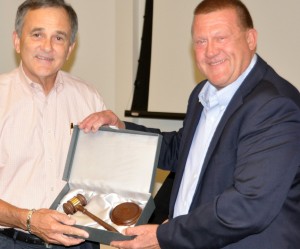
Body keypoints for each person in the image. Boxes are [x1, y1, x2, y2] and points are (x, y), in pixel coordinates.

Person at [79, 0, 300, 248]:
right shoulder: (203, 93)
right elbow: (182, 150)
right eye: (200, 41)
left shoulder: (274, 106)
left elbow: (248, 206)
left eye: (221, 38)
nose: (210, 51)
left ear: (250, 39)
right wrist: (121, 129)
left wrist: (165, 235)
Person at [0, 0, 106, 248]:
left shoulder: (89, 98)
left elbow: (104, 179)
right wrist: (28, 219)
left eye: (59, 38)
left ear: (70, 48)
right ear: (17, 41)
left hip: (80, 241)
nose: (47, 47)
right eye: (37, 34)